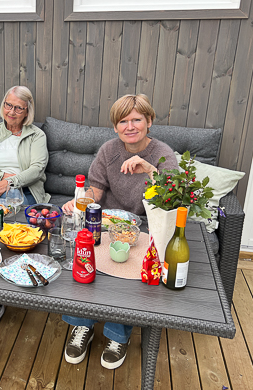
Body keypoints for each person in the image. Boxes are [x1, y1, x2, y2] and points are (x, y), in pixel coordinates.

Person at [61, 94, 178, 370]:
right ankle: (82, 325)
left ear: (149, 121)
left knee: (131, 278)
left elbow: (172, 197)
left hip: (146, 227)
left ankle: (117, 335)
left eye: (137, 119)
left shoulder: (164, 153)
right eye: (123, 121)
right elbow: (96, 190)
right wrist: (80, 201)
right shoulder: (108, 151)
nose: (130, 126)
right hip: (108, 226)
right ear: (115, 127)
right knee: (86, 263)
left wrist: (150, 169)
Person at [0, 85, 50, 334]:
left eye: (18, 108)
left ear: (27, 111)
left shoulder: (36, 136)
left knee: (14, 237)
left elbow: (36, 169)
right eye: (8, 105)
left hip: (25, 192)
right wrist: (0, 178)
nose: (11, 111)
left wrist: (11, 182)